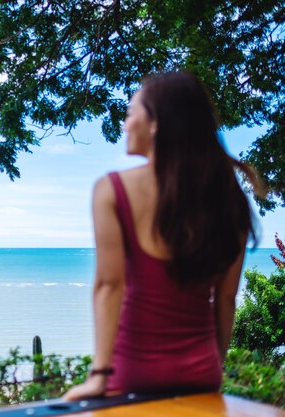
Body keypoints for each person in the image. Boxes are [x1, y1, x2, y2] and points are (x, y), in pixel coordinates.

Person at [63, 70, 262, 400]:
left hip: (134, 375)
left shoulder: (112, 189)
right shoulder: (228, 197)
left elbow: (110, 285)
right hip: (202, 374)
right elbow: (226, 299)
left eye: (130, 113)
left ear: (156, 123)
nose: (124, 125)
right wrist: (214, 368)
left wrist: (99, 376)